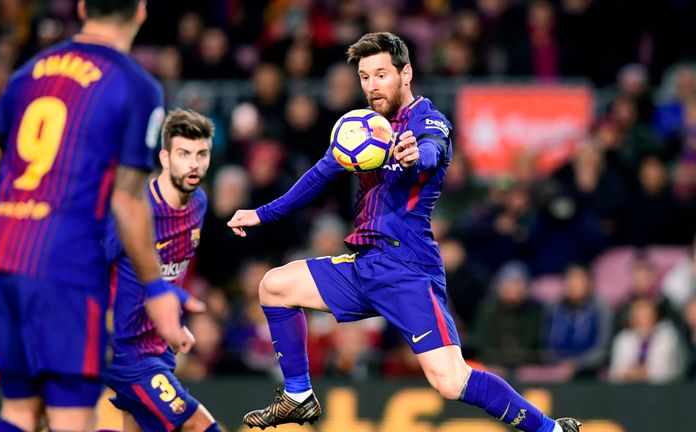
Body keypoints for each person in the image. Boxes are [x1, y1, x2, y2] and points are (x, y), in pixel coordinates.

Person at [228, 32, 581, 432]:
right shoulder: (361, 129)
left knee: (451, 380)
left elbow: (430, 151)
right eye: (364, 77)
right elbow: (318, 176)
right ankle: (298, 396)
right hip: (365, 264)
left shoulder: (429, 121)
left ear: (405, 72)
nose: (372, 86)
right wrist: (262, 213)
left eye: (381, 75)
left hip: (406, 267)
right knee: (273, 286)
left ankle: (552, 429)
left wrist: (414, 155)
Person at [0, 1, 188, 431]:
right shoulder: (135, 84)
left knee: (19, 413)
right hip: (62, 266)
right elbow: (126, 199)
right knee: (71, 421)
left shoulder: (30, 71)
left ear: (83, 7)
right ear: (141, 11)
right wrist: (155, 287)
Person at [103, 109, 221, 432]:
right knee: (200, 426)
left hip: (160, 349)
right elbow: (90, 269)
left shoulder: (199, 204)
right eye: (184, 154)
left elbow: (164, 276)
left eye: (202, 154)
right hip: (127, 353)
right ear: (165, 158)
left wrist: (173, 322)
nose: (194, 164)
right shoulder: (135, 213)